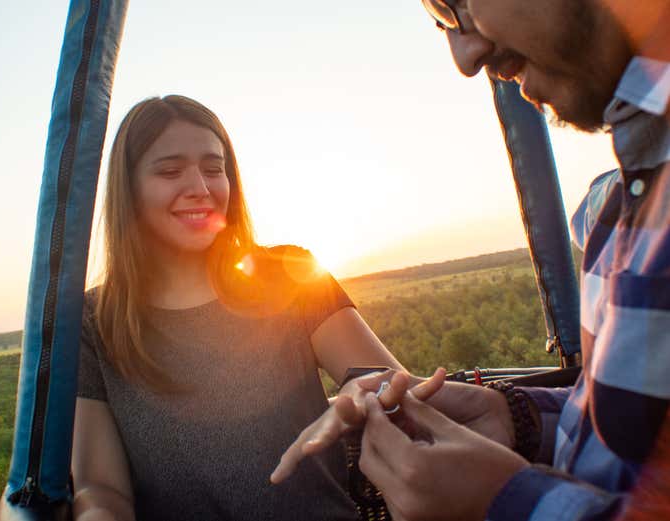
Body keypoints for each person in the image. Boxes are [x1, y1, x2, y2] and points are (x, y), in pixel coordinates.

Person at [273, 1, 669, 519]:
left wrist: (501, 502)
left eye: (455, 3)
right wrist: (517, 419)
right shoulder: (623, 207)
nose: (465, 56)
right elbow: (631, 455)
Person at [71, 94, 438, 521]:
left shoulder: (289, 273)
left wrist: (373, 393)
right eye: (170, 171)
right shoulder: (93, 323)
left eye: (214, 169)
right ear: (129, 189)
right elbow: (99, 487)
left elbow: (399, 393)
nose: (202, 188)